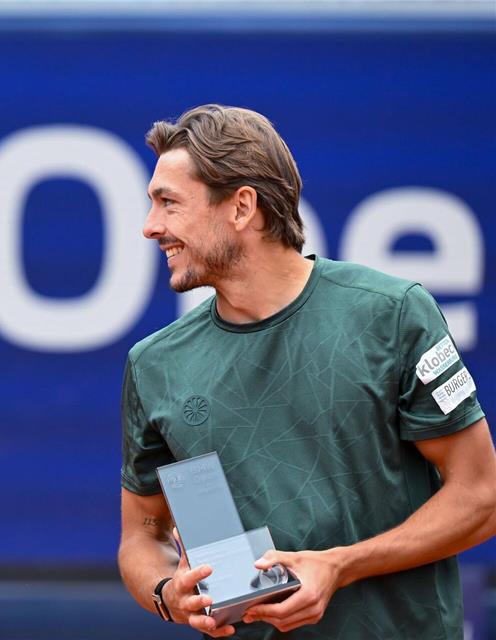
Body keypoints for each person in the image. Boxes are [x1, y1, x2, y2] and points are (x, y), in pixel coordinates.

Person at [117, 104, 496, 638]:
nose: (150, 227)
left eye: (169, 203)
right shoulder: (153, 364)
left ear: (242, 207)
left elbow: (481, 498)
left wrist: (342, 564)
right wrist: (166, 592)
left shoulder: (393, 314)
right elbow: (143, 533)